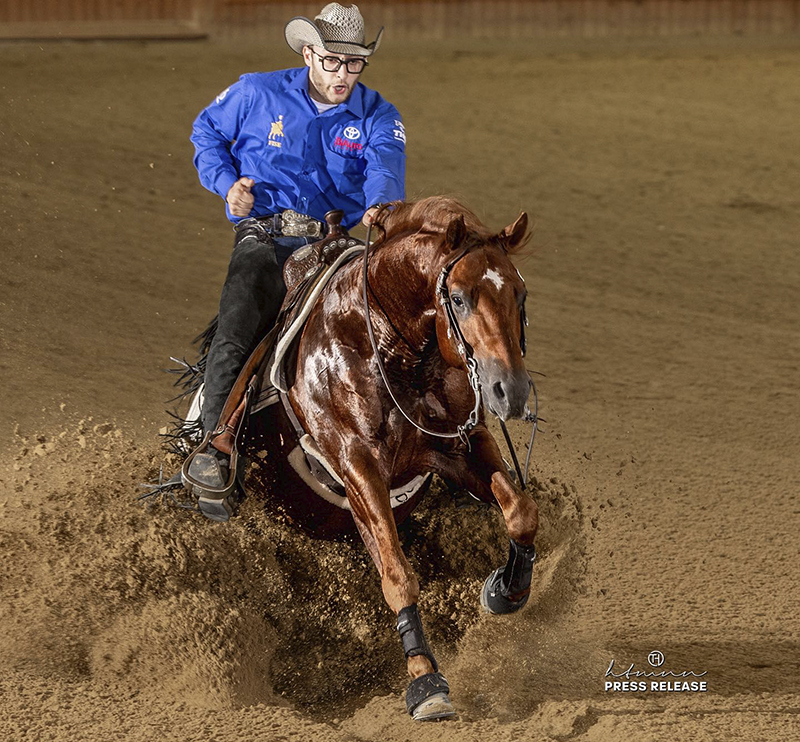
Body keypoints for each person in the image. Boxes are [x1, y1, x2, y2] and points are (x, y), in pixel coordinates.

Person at [185, 3, 406, 504]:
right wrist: (226, 185)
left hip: (332, 244)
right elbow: (207, 132)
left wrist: (380, 209)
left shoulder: (379, 115)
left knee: (396, 324)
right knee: (237, 324)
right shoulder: (255, 92)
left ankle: (436, 436)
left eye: (355, 63)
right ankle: (213, 448)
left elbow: (385, 170)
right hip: (266, 237)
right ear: (308, 53)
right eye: (332, 61)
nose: (343, 74)